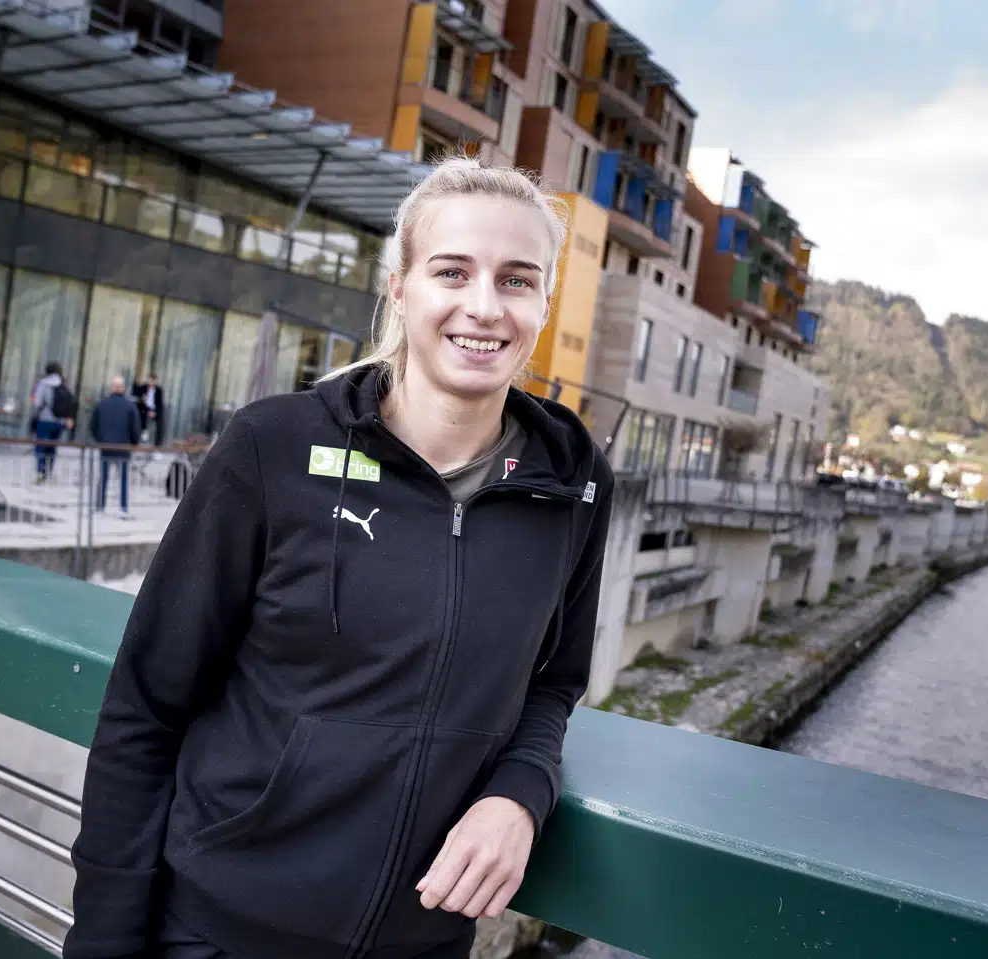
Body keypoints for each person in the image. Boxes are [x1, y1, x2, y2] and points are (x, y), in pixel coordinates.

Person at [63, 157, 615, 959]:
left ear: (542, 302)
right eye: (452, 271)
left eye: (517, 280)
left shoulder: (572, 483)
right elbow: (145, 709)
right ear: (399, 286)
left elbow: (555, 681)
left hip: (419, 943)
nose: (484, 306)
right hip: (215, 934)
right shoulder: (272, 449)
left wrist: (521, 792)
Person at [90, 376, 142, 515]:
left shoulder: (102, 404)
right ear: (123, 388)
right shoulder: (130, 406)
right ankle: (123, 507)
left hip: (106, 446)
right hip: (123, 447)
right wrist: (134, 443)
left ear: (112, 388)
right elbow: (135, 428)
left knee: (103, 477)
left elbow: (93, 426)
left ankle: (100, 506)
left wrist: (100, 439)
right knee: (123, 478)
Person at [30, 362, 74, 481]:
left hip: (45, 419)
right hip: (60, 421)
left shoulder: (43, 383)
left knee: (41, 445)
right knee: (53, 446)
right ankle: (50, 469)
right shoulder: (65, 384)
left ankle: (41, 470)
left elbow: (37, 403)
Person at [132, 371, 165, 446]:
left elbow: (160, 404)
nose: (151, 383)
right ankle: (144, 431)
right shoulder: (143, 388)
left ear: (155, 381)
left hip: (154, 409)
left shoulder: (159, 390)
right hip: (144, 408)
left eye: (153, 381)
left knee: (161, 423)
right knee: (141, 414)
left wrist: (155, 412)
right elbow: (137, 398)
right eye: (149, 380)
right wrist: (142, 399)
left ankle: (157, 445)